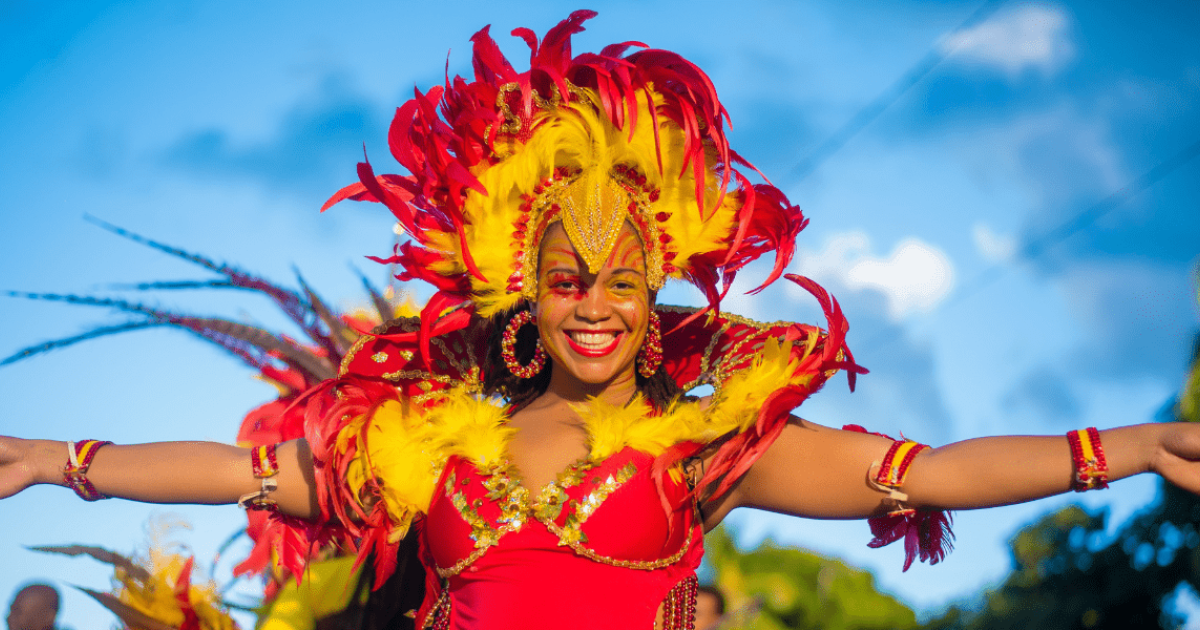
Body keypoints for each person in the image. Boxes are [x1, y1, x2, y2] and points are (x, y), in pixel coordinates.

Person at [2, 10, 1200, 630]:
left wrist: (1134, 448)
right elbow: (246, 474)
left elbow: (921, 475)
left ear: (654, 292)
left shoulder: (700, 450)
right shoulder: (431, 451)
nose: (595, 304)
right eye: (568, 276)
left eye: (622, 280)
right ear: (524, 287)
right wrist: (53, 462)